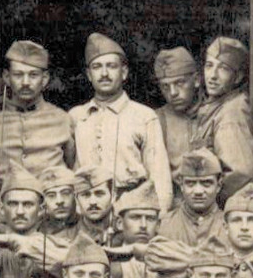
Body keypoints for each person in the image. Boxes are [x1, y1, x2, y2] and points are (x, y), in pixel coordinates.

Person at [69, 32, 172, 214]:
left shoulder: (144, 116)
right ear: (88, 74)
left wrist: (158, 218)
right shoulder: (76, 117)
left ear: (124, 72)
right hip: (87, 212)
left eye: (111, 66)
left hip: (132, 212)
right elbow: (68, 172)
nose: (104, 74)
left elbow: (160, 177)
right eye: (97, 67)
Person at [0, 39, 77, 180]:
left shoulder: (62, 119)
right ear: (6, 77)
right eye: (18, 75)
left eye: (33, 75)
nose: (26, 82)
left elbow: (72, 165)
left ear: (45, 78)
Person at [192, 36, 253, 200]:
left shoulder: (231, 111)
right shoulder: (216, 106)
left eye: (223, 68)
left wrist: (207, 203)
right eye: (209, 66)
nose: (212, 75)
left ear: (238, 77)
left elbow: (240, 174)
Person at [0, 165, 51, 278]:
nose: (20, 211)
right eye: (13, 204)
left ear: (41, 210)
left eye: (28, 204)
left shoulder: (50, 249)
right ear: (2, 209)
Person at [104, 181, 165, 278]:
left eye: (150, 218)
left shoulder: (167, 259)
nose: (143, 225)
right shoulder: (109, 258)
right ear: (119, 223)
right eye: (136, 217)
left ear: (158, 225)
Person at [158, 150, 227, 248]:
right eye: (190, 183)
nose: (198, 191)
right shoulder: (164, 225)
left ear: (218, 185)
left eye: (206, 183)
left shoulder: (230, 225)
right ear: (181, 185)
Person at [153, 46, 201, 177]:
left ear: (197, 80)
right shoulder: (155, 120)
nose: (173, 93)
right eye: (165, 86)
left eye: (179, 83)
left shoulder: (215, 112)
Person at [37, 165, 82, 244]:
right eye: (51, 196)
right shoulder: (36, 229)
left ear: (75, 196)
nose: (59, 201)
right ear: (43, 201)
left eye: (66, 193)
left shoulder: (86, 225)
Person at [73, 166, 116, 244]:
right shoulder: (70, 235)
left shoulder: (126, 230)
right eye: (86, 195)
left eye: (99, 194)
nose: (93, 202)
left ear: (113, 196)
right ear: (76, 199)